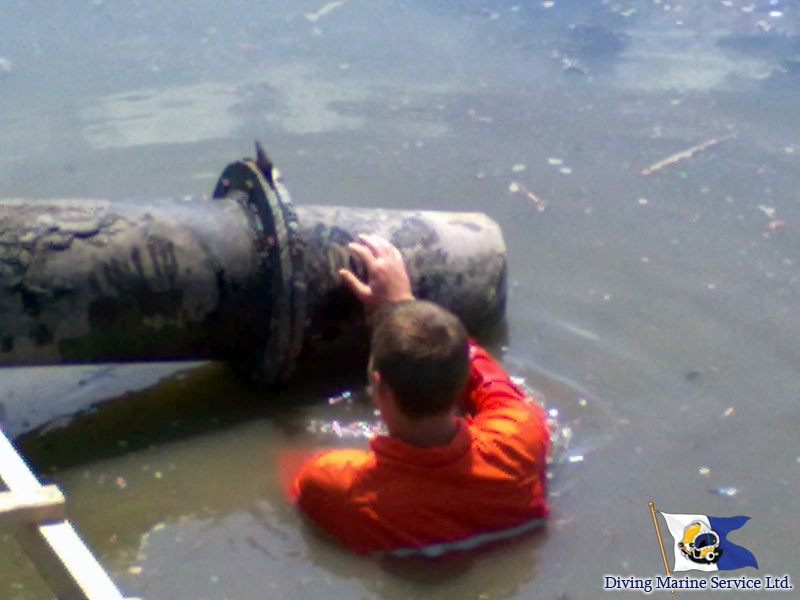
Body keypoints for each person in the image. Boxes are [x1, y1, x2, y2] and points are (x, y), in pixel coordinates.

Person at [293, 234, 550, 557]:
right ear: (460, 385)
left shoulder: (336, 482)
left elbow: (294, 487)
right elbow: (488, 378)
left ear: (378, 386)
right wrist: (403, 304)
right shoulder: (521, 436)